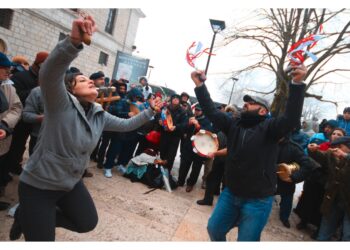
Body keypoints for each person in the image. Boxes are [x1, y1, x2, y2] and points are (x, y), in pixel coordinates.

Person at [9, 15, 162, 241]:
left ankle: (29, 217)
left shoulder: (98, 113)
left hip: (69, 184)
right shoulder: (60, 103)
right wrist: (72, 43)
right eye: (82, 80)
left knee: (87, 222)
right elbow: (49, 73)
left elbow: (127, 125)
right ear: (70, 89)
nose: (91, 81)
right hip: (38, 186)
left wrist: (150, 111)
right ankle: (31, 216)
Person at [190, 63, 307, 241]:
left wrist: (297, 85)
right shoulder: (234, 124)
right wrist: (200, 86)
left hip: (257, 200)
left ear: (262, 110)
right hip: (231, 193)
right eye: (246, 101)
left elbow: (290, 118)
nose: (245, 104)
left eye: (251, 103)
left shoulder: (271, 128)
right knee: (214, 229)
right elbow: (212, 111)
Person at [6, 50, 49, 175]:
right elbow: (14, 96)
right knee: (17, 144)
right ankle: (10, 168)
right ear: (40, 64)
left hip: (36, 121)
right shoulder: (21, 76)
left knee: (30, 146)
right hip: (20, 119)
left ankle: (17, 165)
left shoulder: (43, 78)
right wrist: (35, 92)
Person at [307, 136, 350, 240]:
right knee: (324, 232)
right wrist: (312, 150)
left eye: (339, 147)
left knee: (347, 236)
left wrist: (345, 156)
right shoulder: (331, 154)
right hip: (333, 198)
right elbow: (320, 155)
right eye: (334, 147)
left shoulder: (345, 156)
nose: (335, 150)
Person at [276, 136, 320, 228]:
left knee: (287, 199)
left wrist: (294, 177)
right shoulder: (267, 142)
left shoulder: (294, 148)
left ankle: (284, 218)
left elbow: (308, 165)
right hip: (267, 178)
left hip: (286, 179)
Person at [0, 52, 22, 210]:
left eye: (9, 68)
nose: (8, 72)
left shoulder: (7, 86)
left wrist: (5, 124)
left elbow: (16, 108)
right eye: (4, 68)